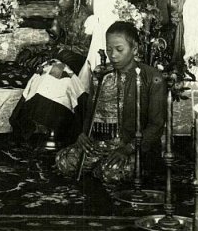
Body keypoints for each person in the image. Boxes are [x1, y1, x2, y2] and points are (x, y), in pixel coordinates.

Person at [55, 21, 166, 183]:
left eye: (119, 49)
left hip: (134, 147)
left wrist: (128, 148)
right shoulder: (101, 73)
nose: (112, 55)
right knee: (63, 161)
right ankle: (100, 166)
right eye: (109, 49)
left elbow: (156, 125)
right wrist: (84, 135)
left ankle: (107, 168)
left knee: (111, 172)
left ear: (134, 49)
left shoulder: (151, 77)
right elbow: (91, 112)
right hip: (100, 144)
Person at [10, 0, 93, 146]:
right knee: (43, 74)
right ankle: (36, 124)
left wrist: (61, 51)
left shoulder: (86, 18)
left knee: (54, 75)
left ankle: (51, 127)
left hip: (75, 63)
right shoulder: (61, 14)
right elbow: (53, 42)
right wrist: (33, 50)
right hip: (60, 59)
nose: (60, 2)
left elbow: (85, 51)